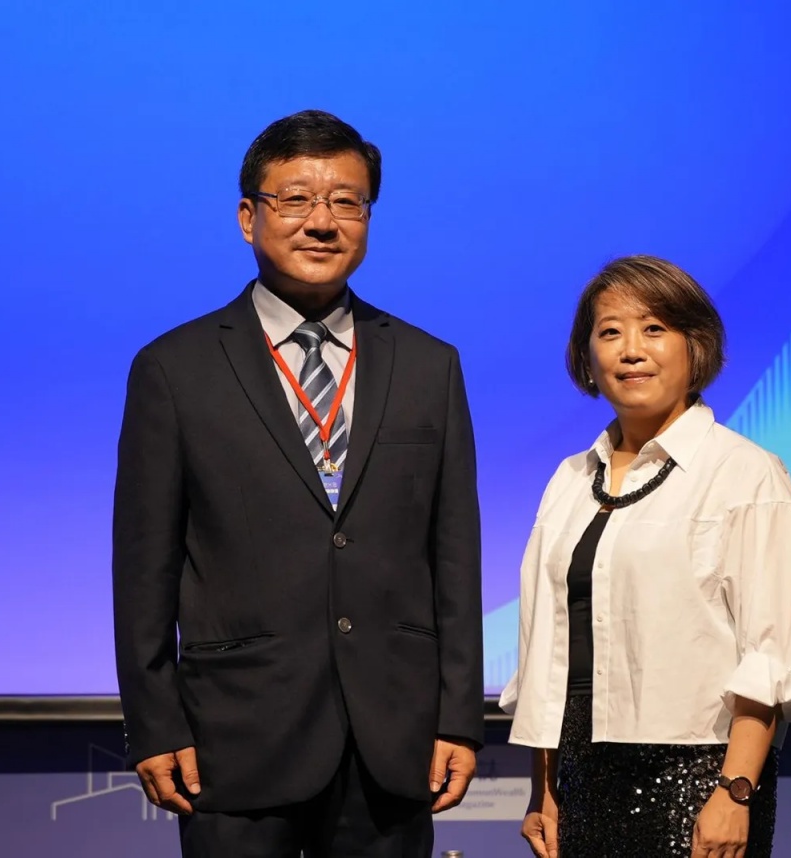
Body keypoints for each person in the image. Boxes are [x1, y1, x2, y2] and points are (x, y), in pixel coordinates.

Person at [112, 109, 484, 858]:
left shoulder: (428, 365)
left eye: (347, 201)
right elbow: (145, 566)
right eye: (296, 199)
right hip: (233, 736)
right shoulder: (174, 369)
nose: (322, 222)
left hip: (393, 738)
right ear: (249, 218)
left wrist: (458, 716)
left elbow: (454, 556)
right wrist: (154, 721)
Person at [500, 255, 791, 857]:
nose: (631, 351)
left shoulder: (745, 473)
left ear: (694, 347)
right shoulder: (570, 479)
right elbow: (546, 647)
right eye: (610, 332)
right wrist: (543, 788)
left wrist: (735, 792)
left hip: (700, 774)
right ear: (587, 358)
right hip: (581, 778)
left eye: (653, 329)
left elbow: (773, 651)